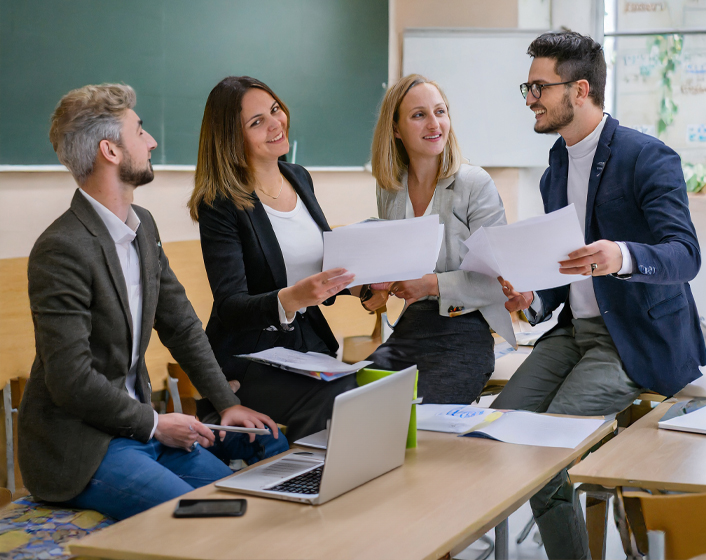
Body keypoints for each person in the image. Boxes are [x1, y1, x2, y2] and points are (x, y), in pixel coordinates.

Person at [18, 84, 287, 522]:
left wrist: (226, 404)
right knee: (213, 514)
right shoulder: (61, 248)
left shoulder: (142, 224)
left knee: (251, 489)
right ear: (111, 150)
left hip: (141, 432)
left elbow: (180, 324)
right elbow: (70, 380)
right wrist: (156, 424)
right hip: (84, 446)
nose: (151, 141)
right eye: (140, 132)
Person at [493, 31, 706, 559]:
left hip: (633, 338)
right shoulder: (556, 167)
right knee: (494, 439)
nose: (529, 99)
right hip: (574, 334)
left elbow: (685, 255)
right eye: (528, 87)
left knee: (548, 461)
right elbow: (560, 271)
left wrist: (624, 256)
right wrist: (532, 299)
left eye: (538, 87)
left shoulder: (646, 157)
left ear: (580, 89)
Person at [188, 76, 361, 442]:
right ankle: (308, 487)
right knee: (337, 399)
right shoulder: (219, 202)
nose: (275, 123)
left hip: (306, 346)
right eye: (256, 122)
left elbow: (314, 274)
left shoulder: (298, 177)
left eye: (275, 110)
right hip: (250, 357)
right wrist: (294, 298)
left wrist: (360, 287)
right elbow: (231, 306)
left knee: (369, 390)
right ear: (232, 138)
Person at [365, 74, 515, 404]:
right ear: (395, 129)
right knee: (357, 405)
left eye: (440, 111)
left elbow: (499, 280)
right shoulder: (390, 189)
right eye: (419, 115)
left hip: (463, 333)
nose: (435, 124)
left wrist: (431, 284)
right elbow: (393, 261)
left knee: (420, 420)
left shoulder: (475, 184)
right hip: (410, 331)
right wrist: (373, 288)